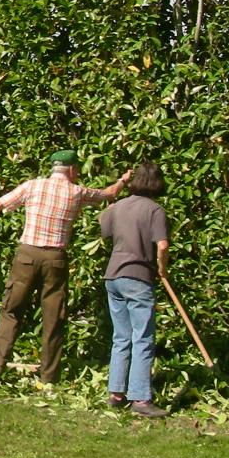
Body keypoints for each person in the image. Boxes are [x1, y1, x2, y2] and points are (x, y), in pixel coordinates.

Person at [0, 150, 130, 384]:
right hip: (55, 259)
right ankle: (48, 377)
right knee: (54, 317)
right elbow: (108, 194)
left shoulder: (32, 185)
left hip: (26, 256)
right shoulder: (77, 191)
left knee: (12, 309)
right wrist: (123, 180)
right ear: (72, 170)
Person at [99, 161, 170, 418]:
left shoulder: (117, 206)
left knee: (121, 336)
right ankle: (140, 398)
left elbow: (103, 227)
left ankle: (116, 393)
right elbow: (161, 246)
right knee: (143, 338)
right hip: (138, 278)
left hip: (113, 277)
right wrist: (162, 269)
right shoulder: (155, 210)